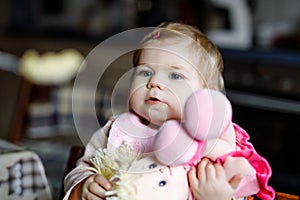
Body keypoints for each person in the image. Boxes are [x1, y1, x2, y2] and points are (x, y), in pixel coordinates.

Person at [63, 22, 274, 200]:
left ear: (206, 95)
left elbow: (244, 189)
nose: (154, 83)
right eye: (145, 72)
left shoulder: (216, 143)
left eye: (175, 76)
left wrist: (219, 196)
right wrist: (83, 187)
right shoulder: (116, 130)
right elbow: (82, 169)